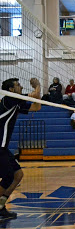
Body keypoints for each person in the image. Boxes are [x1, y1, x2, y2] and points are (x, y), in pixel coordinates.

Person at [0, 78, 41, 220]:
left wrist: (38, 92)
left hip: (3, 148)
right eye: (18, 85)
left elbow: (37, 107)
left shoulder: (16, 103)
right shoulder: (8, 99)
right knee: (8, 176)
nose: (21, 86)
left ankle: (1, 206)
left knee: (18, 175)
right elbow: (34, 95)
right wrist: (37, 86)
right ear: (11, 89)